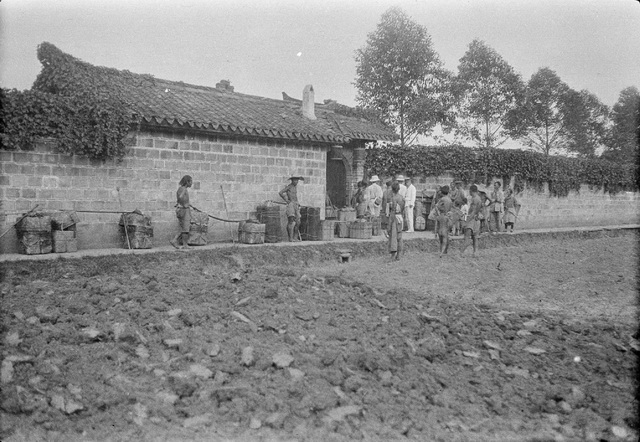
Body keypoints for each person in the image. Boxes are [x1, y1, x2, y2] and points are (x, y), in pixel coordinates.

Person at [170, 175, 193, 249]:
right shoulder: (182, 189)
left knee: (184, 228)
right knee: (185, 228)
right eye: (191, 181)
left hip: (185, 209)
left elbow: (184, 200)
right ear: (187, 182)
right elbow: (180, 198)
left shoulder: (183, 189)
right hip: (183, 210)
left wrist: (189, 205)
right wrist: (184, 191)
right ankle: (181, 243)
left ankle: (180, 243)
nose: (192, 183)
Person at [461, 184, 483, 257]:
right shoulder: (478, 198)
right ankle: (475, 252)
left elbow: (473, 212)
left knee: (467, 237)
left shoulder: (475, 199)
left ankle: (461, 252)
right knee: (475, 237)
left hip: (472, 219)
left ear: (471, 191)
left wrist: (466, 221)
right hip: (476, 219)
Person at [279, 176, 304, 241]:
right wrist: (286, 200)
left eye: (297, 181)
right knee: (291, 221)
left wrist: (298, 203)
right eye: (295, 180)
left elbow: (295, 197)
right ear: (292, 181)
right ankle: (290, 238)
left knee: (298, 221)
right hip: (291, 205)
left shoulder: (295, 188)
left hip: (296, 205)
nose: (296, 182)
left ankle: (295, 237)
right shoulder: (289, 187)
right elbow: (281, 192)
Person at [387, 181, 405, 260]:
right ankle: (399, 255)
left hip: (394, 218)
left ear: (392, 189)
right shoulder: (401, 197)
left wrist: (389, 223)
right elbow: (402, 209)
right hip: (400, 217)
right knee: (399, 236)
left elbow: (392, 211)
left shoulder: (393, 198)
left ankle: (393, 255)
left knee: (393, 237)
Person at [435, 185, 453, 257]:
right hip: (448, 216)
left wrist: (438, 213)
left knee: (441, 234)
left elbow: (436, 206)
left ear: (442, 192)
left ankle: (441, 251)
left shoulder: (442, 199)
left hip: (442, 216)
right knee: (446, 234)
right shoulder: (450, 200)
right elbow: (451, 209)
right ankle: (444, 250)